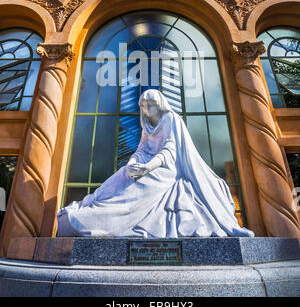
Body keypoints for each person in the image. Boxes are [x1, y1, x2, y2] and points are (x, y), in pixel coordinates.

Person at [57, 89, 254, 238]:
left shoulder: (171, 120)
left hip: (168, 169)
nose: (146, 109)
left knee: (138, 185)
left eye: (150, 105)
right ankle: (87, 208)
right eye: (143, 106)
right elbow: (142, 150)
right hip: (147, 165)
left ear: (159, 104)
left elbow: (170, 151)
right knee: (121, 176)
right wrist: (134, 163)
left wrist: (147, 167)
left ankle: (103, 221)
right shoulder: (146, 126)